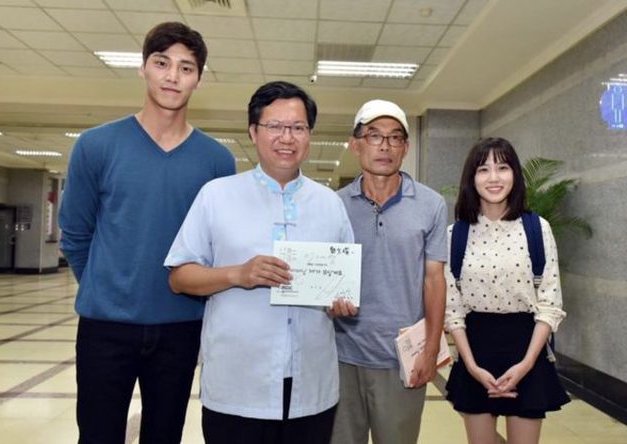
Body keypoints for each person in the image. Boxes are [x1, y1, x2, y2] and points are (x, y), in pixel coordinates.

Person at [59, 22, 235, 444]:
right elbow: (76, 235)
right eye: (161, 63)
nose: (172, 76)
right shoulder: (96, 146)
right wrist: (106, 289)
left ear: (199, 79)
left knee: (165, 435)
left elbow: (216, 248)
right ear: (143, 68)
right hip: (105, 327)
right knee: (97, 435)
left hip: (181, 327)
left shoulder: (217, 161)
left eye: (186, 68)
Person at [165, 80, 355, 444]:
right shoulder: (217, 196)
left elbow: (343, 283)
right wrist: (238, 274)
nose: (287, 137)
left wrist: (340, 302)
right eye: (275, 126)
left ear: (309, 135)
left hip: (311, 386)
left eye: (298, 127)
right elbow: (179, 276)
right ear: (253, 132)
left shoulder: (330, 204)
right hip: (238, 384)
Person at [330, 100, 448, 444]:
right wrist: (326, 301)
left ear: (405, 148)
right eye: (374, 136)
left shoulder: (431, 204)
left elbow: (434, 281)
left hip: (401, 358)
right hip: (340, 356)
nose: (385, 146)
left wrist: (430, 350)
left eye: (395, 138)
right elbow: (323, 276)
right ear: (355, 145)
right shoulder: (333, 205)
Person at [444, 137, 570, 444]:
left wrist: (526, 364)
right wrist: (471, 366)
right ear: (471, 178)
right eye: (483, 169)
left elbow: (550, 303)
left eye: (502, 167)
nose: (494, 177)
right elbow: (452, 308)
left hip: (527, 349)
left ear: (515, 173)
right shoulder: (455, 234)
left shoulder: (537, 228)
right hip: (475, 350)